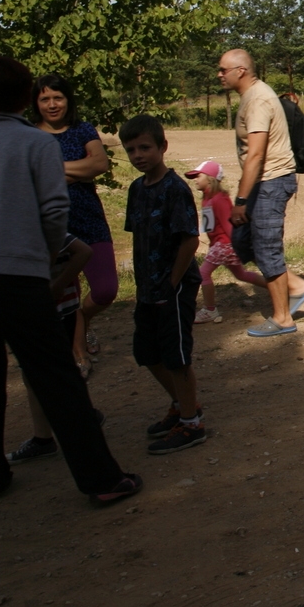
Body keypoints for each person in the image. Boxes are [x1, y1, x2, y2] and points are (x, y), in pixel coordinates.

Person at [0, 57, 139, 507]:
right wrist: (40, 260)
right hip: (17, 275)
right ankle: (101, 480)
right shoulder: (37, 146)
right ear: (27, 95)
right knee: (56, 375)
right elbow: (53, 214)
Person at [120, 115, 207, 455]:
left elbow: (189, 241)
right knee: (146, 352)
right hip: (147, 288)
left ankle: (192, 424)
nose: (138, 155)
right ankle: (181, 405)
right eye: (131, 150)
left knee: (176, 356)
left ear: (162, 147)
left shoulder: (176, 189)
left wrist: (172, 281)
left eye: (145, 147)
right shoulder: (136, 190)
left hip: (175, 286)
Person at [217, 49, 304, 338]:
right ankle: (296, 285)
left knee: (266, 248)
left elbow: (256, 154)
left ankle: (283, 318)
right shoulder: (250, 96)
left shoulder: (258, 99)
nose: (219, 75)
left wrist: (241, 200)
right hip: (265, 181)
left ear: (241, 71)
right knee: (242, 242)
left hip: (271, 181)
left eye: (224, 69)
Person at [32, 74, 117, 376]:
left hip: (88, 217)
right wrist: (76, 170)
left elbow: (99, 164)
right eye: (45, 99)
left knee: (106, 290)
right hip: (50, 225)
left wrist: (49, 171)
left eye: (58, 97)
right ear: (36, 103)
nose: (52, 104)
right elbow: (29, 176)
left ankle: (82, 323)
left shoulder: (83, 129)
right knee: (65, 291)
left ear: (68, 100)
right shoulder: (30, 135)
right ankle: (79, 353)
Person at [5, 234, 94, 464]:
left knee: (48, 372)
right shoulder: (33, 223)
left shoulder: (40, 226)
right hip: (47, 308)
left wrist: (57, 286)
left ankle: (78, 427)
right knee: (36, 372)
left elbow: (83, 251)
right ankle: (45, 436)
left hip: (53, 309)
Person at [185, 160, 266, 325]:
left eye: (198, 176)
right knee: (241, 274)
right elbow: (211, 226)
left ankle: (210, 310)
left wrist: (236, 245)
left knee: (203, 274)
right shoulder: (206, 198)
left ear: (210, 178)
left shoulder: (219, 199)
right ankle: (276, 287)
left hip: (226, 244)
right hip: (218, 244)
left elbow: (229, 225)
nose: (195, 179)